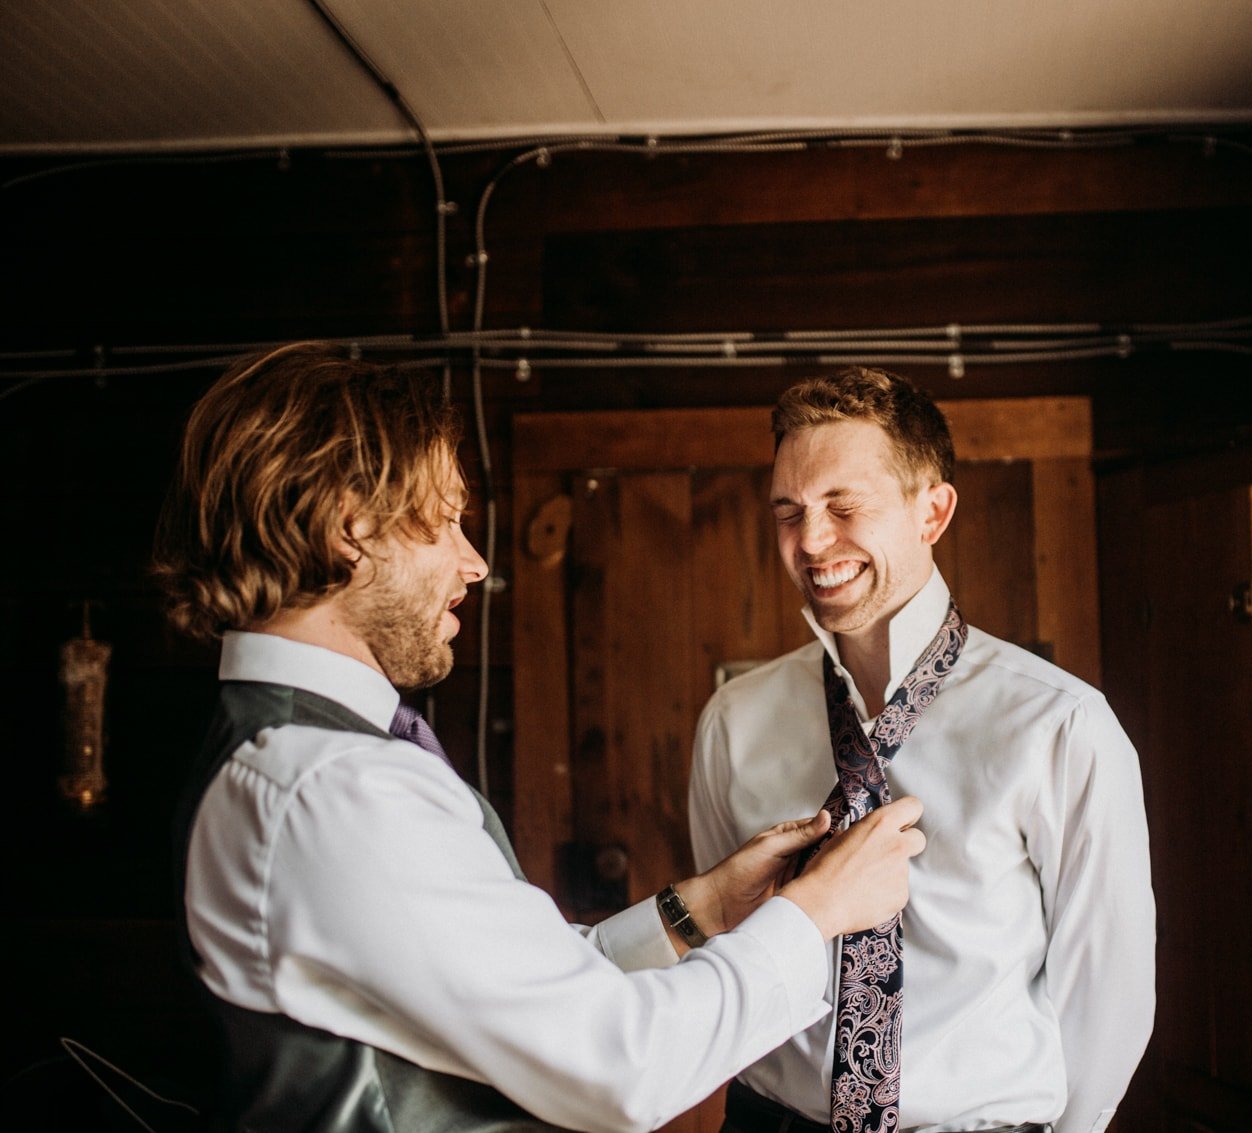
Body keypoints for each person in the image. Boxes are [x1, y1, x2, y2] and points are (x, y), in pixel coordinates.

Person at [154, 343, 927, 1133]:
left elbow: (518, 997)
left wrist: (701, 907)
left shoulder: (293, 756)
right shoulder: (332, 785)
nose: (476, 561)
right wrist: (814, 911)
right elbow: (620, 1063)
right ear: (349, 528)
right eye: (447, 519)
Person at [689, 368, 1155, 1133]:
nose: (810, 541)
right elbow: (730, 955)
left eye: (844, 506)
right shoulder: (734, 724)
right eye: (790, 511)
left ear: (932, 510)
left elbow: (1110, 996)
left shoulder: (1060, 725)